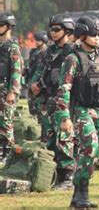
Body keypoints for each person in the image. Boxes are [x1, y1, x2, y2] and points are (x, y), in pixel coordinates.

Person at [55, 15, 99, 208]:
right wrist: (64, 117)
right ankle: (81, 193)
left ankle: (80, 195)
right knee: (90, 148)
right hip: (81, 111)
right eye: (92, 34)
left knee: (92, 155)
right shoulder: (73, 59)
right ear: (81, 35)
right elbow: (64, 88)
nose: (97, 37)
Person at [30, 14, 76, 189]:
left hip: (65, 102)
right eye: (52, 29)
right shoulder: (49, 51)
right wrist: (34, 84)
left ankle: (67, 177)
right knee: (49, 139)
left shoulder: (72, 51)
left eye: (57, 29)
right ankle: (54, 174)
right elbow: (41, 71)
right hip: (48, 100)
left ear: (67, 31)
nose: (53, 32)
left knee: (65, 138)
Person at [0, 13, 23, 163]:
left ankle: (8, 150)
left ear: (8, 27)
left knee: (6, 121)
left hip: (6, 90)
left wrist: (12, 92)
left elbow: (17, 71)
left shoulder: (12, 48)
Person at [25, 31, 48, 118]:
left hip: (40, 82)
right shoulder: (33, 52)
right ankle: (34, 117)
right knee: (31, 103)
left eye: (39, 40)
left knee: (39, 103)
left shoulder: (46, 52)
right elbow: (30, 64)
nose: (36, 42)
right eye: (36, 40)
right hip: (31, 78)